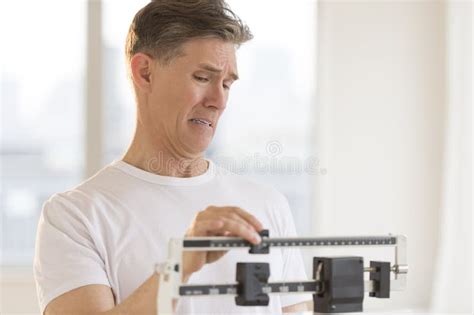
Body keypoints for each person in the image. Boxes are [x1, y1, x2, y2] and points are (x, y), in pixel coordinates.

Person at [34, 0, 312, 314]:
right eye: (203, 78)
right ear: (145, 72)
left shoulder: (267, 205)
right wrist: (178, 267)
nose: (218, 101)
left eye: (227, 84)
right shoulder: (75, 217)